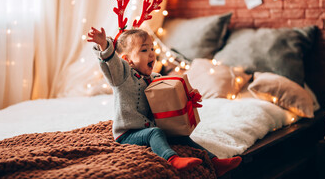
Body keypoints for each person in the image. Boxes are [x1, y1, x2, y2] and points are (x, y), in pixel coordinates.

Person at [88, 26, 242, 175]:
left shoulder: (155, 78)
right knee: (154, 133)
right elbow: (112, 62)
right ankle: (171, 159)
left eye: (152, 49)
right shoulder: (123, 77)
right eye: (144, 50)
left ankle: (215, 162)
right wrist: (103, 45)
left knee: (181, 136)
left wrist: (189, 95)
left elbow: (172, 91)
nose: (151, 54)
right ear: (128, 60)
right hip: (128, 133)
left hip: (151, 126)